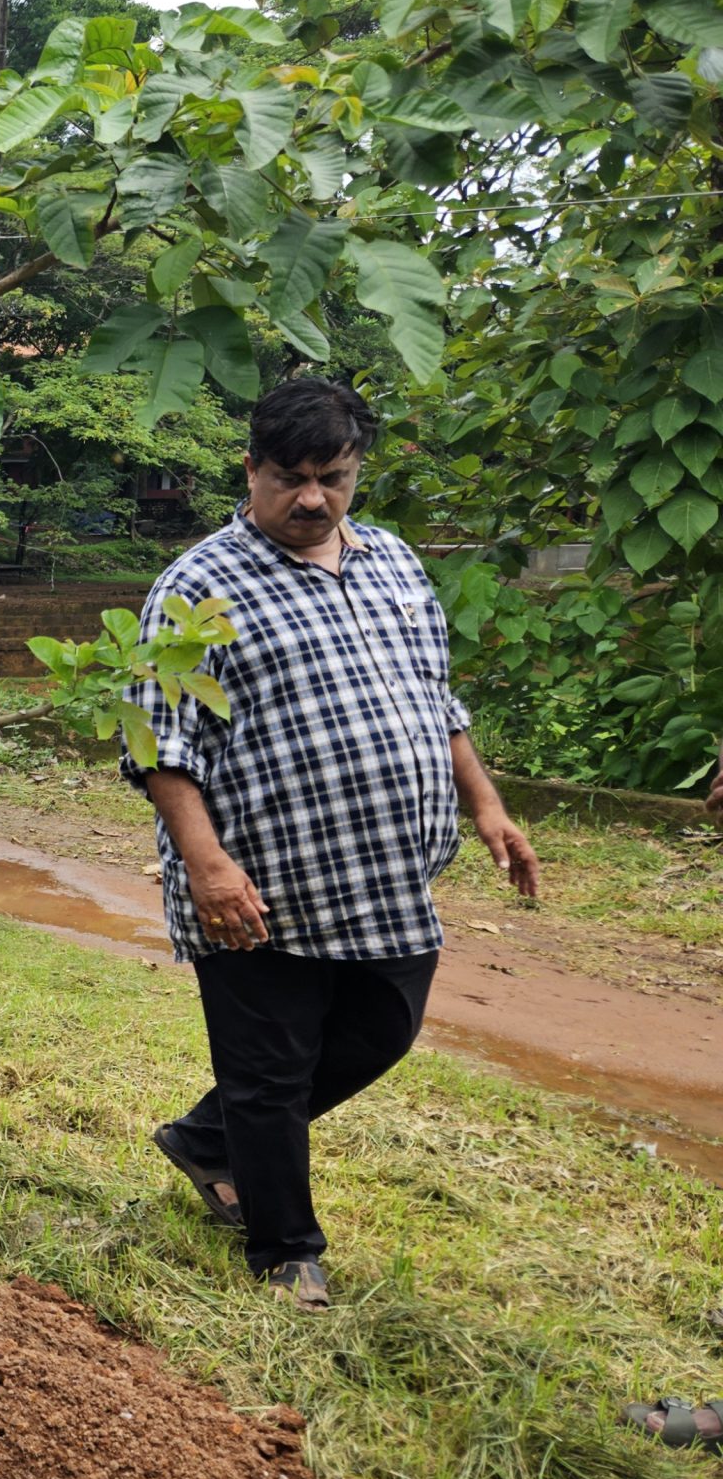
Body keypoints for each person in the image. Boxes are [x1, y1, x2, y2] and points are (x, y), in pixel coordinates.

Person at [129, 377, 540, 1312]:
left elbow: (440, 701)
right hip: (259, 881)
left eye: (334, 476)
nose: (312, 497)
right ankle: (284, 1251)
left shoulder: (394, 560)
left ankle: (206, 1139)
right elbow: (160, 742)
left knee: (384, 1028)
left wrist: (487, 807)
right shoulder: (197, 586)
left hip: (387, 877)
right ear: (252, 470)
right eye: (291, 477)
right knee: (268, 1069)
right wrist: (206, 863)